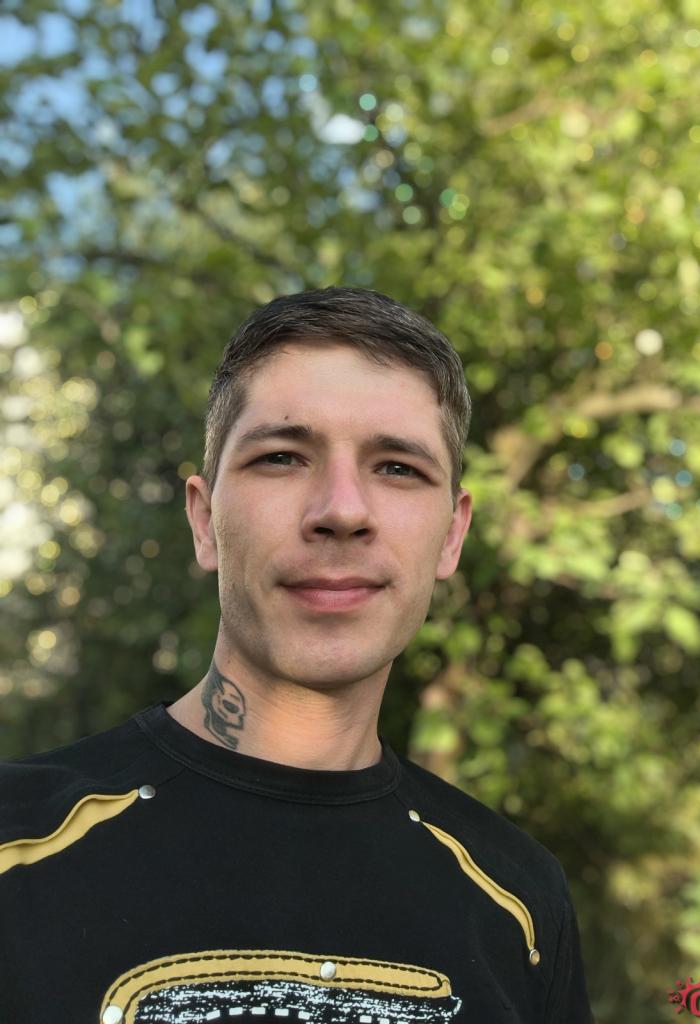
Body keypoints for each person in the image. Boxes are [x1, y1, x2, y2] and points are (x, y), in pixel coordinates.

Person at [0, 287, 593, 1023]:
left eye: (397, 468)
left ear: (451, 535)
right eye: (282, 457)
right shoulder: (16, 843)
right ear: (204, 521)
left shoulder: (520, 902)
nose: (341, 511)